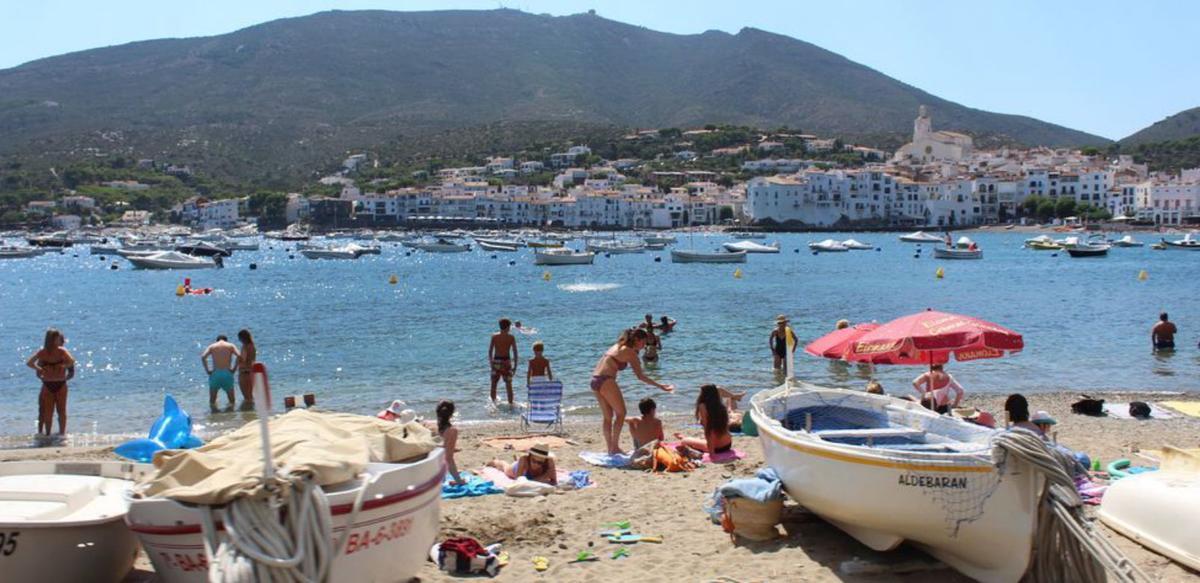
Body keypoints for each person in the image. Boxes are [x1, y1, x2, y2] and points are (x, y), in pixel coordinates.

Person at [591, 328, 674, 454]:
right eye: (643, 342)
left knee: (608, 417)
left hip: (595, 380)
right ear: (636, 340)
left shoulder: (618, 346)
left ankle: (611, 449)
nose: (644, 346)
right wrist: (660, 386)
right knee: (621, 413)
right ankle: (614, 447)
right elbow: (640, 376)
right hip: (606, 380)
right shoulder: (630, 352)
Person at [26, 328, 75, 436]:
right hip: (49, 384)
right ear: (52, 340)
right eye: (58, 339)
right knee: (49, 412)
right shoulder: (43, 352)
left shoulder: (61, 351)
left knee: (61, 411)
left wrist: (63, 366)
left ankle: (62, 434)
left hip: (59, 383)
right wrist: (40, 369)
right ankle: (48, 434)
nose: (60, 341)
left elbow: (71, 362)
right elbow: (29, 363)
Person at [674, 384, 734, 454]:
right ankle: (692, 439)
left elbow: (708, 430)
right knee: (701, 438)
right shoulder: (720, 406)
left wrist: (711, 451)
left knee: (684, 441)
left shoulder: (703, 406)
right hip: (728, 444)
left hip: (717, 447)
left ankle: (685, 438)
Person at [487, 443, 557, 485]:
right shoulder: (524, 460)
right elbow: (518, 482)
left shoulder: (549, 462)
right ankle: (495, 461)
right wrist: (541, 478)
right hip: (515, 469)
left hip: (525, 470)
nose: (536, 464)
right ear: (530, 457)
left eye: (540, 463)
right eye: (534, 461)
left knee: (520, 464)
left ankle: (516, 459)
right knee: (504, 465)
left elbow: (554, 481)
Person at [201, 335, 240, 409]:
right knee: (232, 401)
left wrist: (208, 370)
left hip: (215, 373)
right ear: (226, 340)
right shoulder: (230, 346)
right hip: (227, 373)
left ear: (217, 340)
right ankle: (231, 416)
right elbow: (239, 356)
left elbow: (203, 357)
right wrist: (234, 369)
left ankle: (214, 415)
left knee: (212, 401)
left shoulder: (212, 346)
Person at [488, 318, 519, 405]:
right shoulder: (511, 337)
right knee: (508, 385)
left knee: (494, 384)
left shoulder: (494, 336)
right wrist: (515, 366)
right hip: (506, 361)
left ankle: (493, 405)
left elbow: (490, 351)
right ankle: (510, 405)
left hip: (496, 361)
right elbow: (515, 352)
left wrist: (491, 363)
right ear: (508, 327)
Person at [436, 401, 464, 485]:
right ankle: (443, 479)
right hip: (439, 462)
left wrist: (451, 448)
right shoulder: (452, 431)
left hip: (432, 457)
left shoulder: (434, 426)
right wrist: (458, 480)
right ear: (451, 414)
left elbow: (443, 445)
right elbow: (448, 458)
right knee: (448, 458)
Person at [236, 329, 257, 407]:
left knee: (246, 396)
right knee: (250, 395)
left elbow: (243, 359)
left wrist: (237, 358)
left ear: (242, 338)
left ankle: (247, 414)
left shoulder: (245, 347)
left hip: (244, 372)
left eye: (239, 338)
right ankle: (251, 413)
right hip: (251, 371)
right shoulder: (252, 346)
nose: (239, 340)